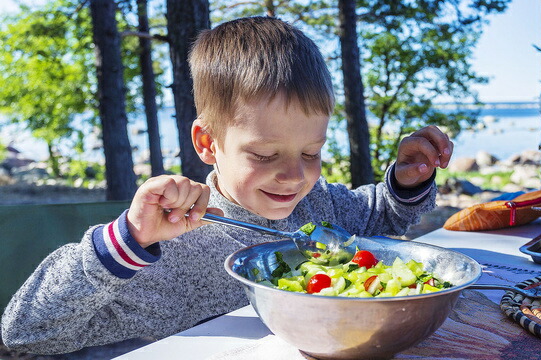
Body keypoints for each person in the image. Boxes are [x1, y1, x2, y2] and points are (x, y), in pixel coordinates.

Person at [1, 16, 453, 355]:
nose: (295, 176)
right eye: (264, 155)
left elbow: (383, 215)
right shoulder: (170, 249)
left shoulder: (321, 209)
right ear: (207, 143)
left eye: (311, 153)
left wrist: (406, 182)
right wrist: (128, 241)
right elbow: (25, 333)